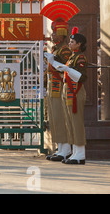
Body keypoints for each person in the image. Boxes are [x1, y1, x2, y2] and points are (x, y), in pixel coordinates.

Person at [45, 27, 88, 165]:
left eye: (73, 41)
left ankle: (80, 154)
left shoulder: (80, 57)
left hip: (75, 91)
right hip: (68, 91)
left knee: (75, 123)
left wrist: (65, 68)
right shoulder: (73, 57)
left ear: (79, 44)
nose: (70, 44)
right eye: (70, 41)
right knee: (70, 123)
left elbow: (81, 76)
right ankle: (74, 152)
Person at [44, 20, 73, 161]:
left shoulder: (65, 50)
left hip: (60, 87)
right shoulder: (56, 49)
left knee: (61, 118)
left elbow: (64, 69)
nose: (52, 35)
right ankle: (60, 148)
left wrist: (53, 60)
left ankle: (66, 148)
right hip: (52, 87)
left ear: (61, 35)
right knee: (55, 119)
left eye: (55, 33)